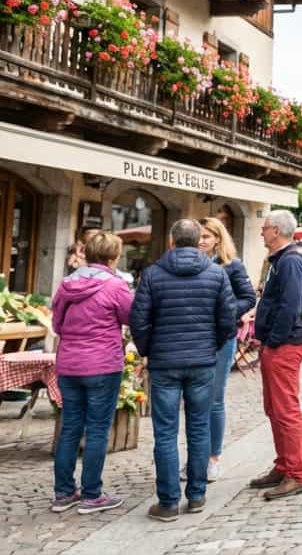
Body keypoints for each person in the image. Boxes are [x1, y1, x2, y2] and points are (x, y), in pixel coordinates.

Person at [129, 219, 235, 521]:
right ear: (197, 240)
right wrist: (210, 344)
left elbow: (138, 319)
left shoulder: (153, 274)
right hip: (202, 362)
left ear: (172, 242)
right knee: (199, 428)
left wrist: (150, 348)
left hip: (165, 363)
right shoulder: (216, 274)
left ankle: (168, 502)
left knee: (165, 432)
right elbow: (228, 320)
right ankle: (197, 495)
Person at [50, 231, 133, 515]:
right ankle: (91, 494)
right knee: (97, 429)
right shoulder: (116, 285)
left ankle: (63, 493)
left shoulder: (66, 284)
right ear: (114, 256)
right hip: (102, 364)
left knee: (70, 427)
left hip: (69, 364)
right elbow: (130, 317)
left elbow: (57, 326)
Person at [250, 209, 302, 500]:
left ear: (276, 231)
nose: (262, 232)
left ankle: (297, 474)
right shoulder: (281, 261)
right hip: (278, 344)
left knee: (286, 411)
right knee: (274, 409)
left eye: (264, 228)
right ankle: (284, 465)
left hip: (285, 345)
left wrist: (272, 341)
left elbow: (290, 307)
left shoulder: (291, 262)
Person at [198, 217, 258, 481]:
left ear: (218, 240)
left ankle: (213, 458)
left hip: (223, 337)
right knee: (195, 398)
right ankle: (196, 456)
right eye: (198, 237)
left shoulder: (232, 266)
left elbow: (248, 297)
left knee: (214, 398)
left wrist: (224, 313)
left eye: (206, 237)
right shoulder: (191, 263)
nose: (201, 242)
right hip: (196, 336)